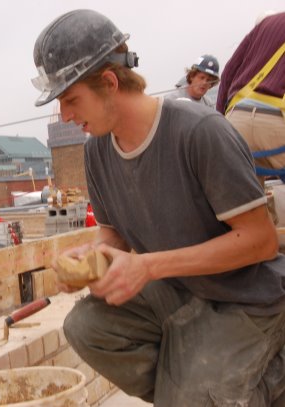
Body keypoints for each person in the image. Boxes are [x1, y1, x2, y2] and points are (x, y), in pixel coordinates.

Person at [32, 9, 285, 406]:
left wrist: (149, 266)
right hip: (181, 291)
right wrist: (94, 261)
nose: (65, 115)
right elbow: (113, 235)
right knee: (86, 327)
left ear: (110, 82)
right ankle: (200, 386)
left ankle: (257, 379)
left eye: (70, 99)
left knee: (192, 395)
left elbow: (261, 243)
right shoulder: (97, 151)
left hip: (247, 298)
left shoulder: (199, 132)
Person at [216, 12, 285, 181]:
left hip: (236, 120)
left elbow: (228, 72)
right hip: (278, 123)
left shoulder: (267, 23)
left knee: (248, 201)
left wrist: (221, 123)